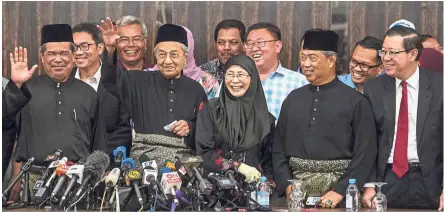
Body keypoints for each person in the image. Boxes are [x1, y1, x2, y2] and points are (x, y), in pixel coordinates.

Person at [272, 29, 377, 208]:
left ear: (331, 60)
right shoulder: (293, 98)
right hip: (296, 195)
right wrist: (288, 185)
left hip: (340, 197)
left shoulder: (356, 101)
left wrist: (340, 190)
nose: (305, 64)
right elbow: (278, 148)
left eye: (313, 58)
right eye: (303, 57)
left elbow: (365, 154)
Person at [5, 24, 107, 201]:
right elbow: (5, 120)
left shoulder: (88, 93)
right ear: (42, 57)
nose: (58, 59)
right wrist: (16, 85)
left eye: (64, 53)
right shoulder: (26, 89)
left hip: (77, 180)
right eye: (51, 54)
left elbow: (99, 143)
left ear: (74, 56)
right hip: (33, 179)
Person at [98, 19, 207, 164]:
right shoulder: (137, 80)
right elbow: (110, 80)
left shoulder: (196, 89)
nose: (167, 61)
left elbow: (206, 128)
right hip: (143, 162)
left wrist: (190, 128)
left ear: (185, 57)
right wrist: (111, 49)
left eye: (174, 55)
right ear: (156, 56)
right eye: (162, 55)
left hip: (183, 165)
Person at [361, 26, 443, 209]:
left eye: (393, 52)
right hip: (387, 180)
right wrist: (368, 185)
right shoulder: (374, 89)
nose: (386, 58)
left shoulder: (439, 87)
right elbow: (367, 142)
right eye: (384, 51)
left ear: (413, 54)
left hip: (430, 180)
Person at [196, 54, 275, 185]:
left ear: (252, 78)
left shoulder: (266, 119)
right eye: (230, 74)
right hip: (215, 192)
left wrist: (266, 187)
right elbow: (204, 153)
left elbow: (269, 163)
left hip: (253, 193)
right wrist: (236, 166)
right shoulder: (210, 109)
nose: (235, 80)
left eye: (241, 75)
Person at [72, 22, 132, 158]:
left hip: (105, 163)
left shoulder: (119, 81)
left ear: (99, 48)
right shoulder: (65, 81)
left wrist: (95, 159)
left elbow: (123, 131)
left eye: (84, 46)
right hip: (68, 163)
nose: (79, 52)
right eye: (74, 47)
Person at [245, 22, 307, 119]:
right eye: (250, 44)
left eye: (260, 43)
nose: (254, 48)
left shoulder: (298, 82)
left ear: (277, 46)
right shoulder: (234, 80)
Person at [150, 26, 220, 99]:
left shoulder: (208, 83)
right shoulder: (145, 79)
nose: (168, 61)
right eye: (162, 53)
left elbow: (212, 109)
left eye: (174, 53)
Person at [200, 19, 246, 85]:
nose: (226, 47)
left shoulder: (255, 71)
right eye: (221, 42)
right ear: (216, 44)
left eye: (233, 42)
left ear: (244, 45)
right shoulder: (203, 72)